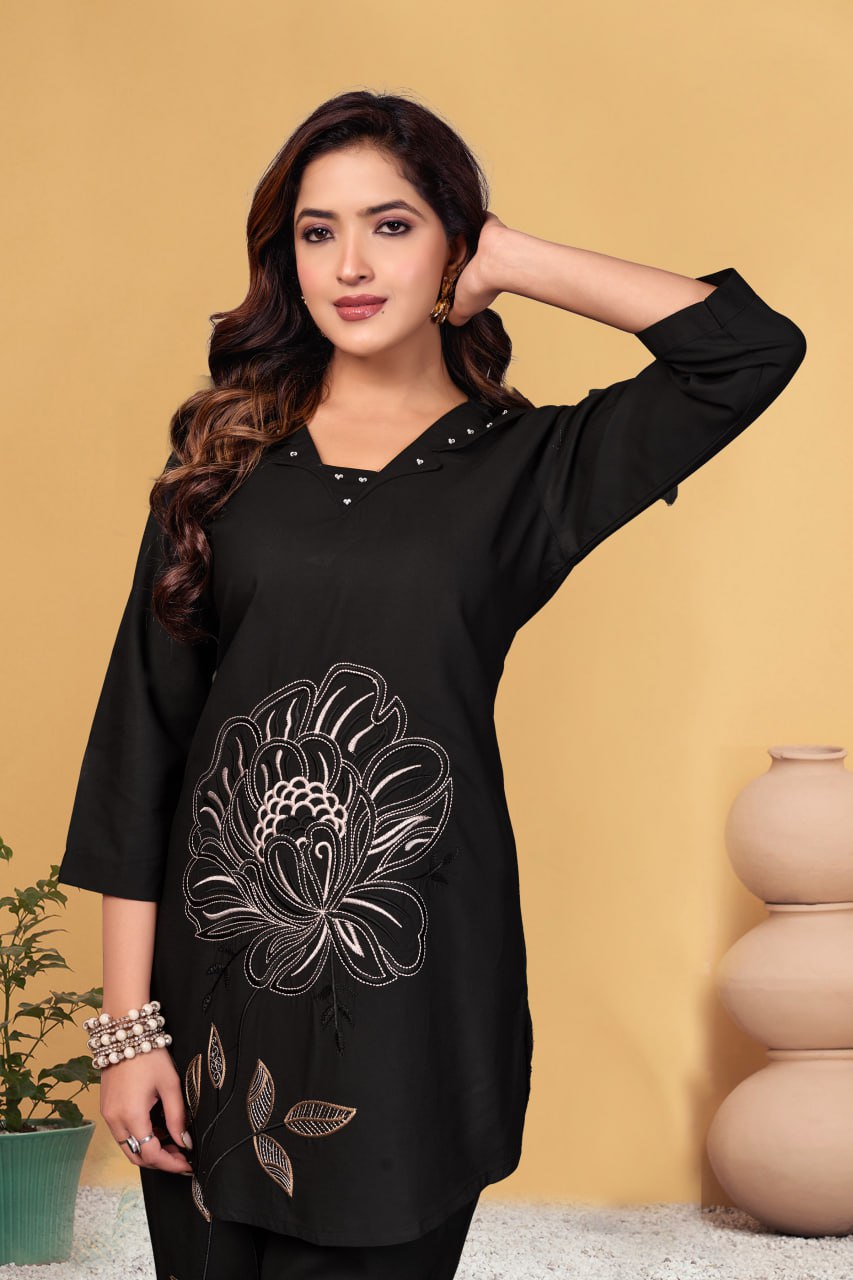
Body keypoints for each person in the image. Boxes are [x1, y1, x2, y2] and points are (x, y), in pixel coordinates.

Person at [58, 88, 807, 1279]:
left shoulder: (529, 468)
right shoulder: (222, 460)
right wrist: (126, 1031)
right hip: (215, 993)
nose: (350, 265)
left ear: (453, 243)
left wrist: (510, 257)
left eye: (392, 225)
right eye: (317, 232)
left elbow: (746, 351)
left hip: (416, 987)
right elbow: (141, 746)